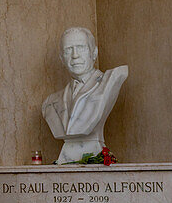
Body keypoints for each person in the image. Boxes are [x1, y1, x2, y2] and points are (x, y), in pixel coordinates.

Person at [42, 27, 127, 164]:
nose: (75, 55)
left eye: (81, 47)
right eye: (68, 50)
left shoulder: (110, 81)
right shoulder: (50, 103)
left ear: (94, 53)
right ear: (62, 58)